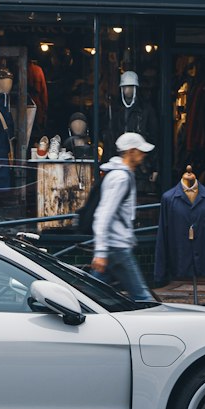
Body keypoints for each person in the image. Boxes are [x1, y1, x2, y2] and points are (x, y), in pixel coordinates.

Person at [91, 130, 157, 304]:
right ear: (131, 152)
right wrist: (100, 251)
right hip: (117, 247)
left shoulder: (120, 175)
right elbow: (104, 213)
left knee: (93, 294)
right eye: (140, 150)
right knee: (142, 297)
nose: (143, 155)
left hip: (114, 246)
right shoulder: (120, 178)